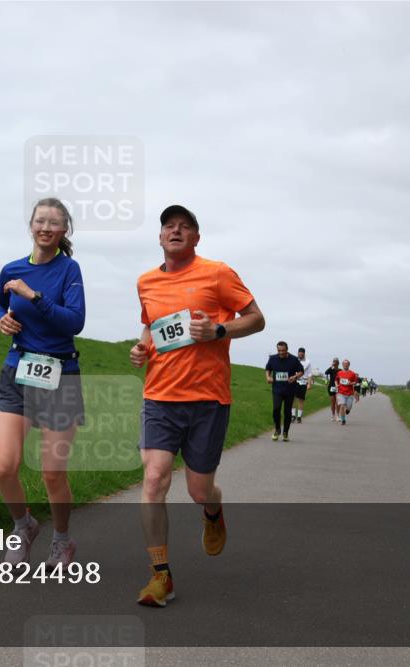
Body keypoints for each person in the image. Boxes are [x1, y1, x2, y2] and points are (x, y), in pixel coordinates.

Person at [129, 204, 265, 607]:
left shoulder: (217, 273)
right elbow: (151, 324)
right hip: (159, 397)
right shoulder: (146, 281)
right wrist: (142, 348)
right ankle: (161, 575)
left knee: (198, 489)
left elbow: (256, 319)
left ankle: (213, 511)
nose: (176, 231)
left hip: (208, 399)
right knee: (154, 479)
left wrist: (218, 329)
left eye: (185, 226)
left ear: (196, 238)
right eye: (169, 226)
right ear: (159, 237)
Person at [0, 198, 85, 567]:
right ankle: (23, 525)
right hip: (18, 372)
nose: (45, 227)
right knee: (4, 467)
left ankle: (61, 540)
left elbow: (75, 321)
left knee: (52, 473)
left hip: (60, 376)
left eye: (54, 222)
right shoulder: (12, 269)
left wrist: (34, 297)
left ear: (64, 231)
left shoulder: (69, 270)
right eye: (40, 220)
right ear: (31, 225)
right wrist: (1, 319)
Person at [265, 342, 304, 442]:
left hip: (289, 390)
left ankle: (285, 432)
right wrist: (268, 377)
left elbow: (301, 371)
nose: (281, 352)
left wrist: (295, 377)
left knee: (287, 412)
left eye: (283, 350)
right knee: (276, 409)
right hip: (277, 389)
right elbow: (268, 369)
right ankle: (277, 429)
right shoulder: (273, 358)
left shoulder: (294, 359)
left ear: (287, 349)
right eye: (279, 350)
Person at [292, 346, 313, 424]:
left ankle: (299, 417)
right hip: (295, 381)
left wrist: (309, 384)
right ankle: (293, 415)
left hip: (303, 381)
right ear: (298, 353)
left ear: (304, 354)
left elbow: (309, 374)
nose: (300, 355)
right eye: (299, 353)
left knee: (301, 399)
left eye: (302, 354)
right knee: (293, 398)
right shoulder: (294, 360)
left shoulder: (308, 362)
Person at [335, 359, 359, 425]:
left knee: (348, 407)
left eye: (347, 364)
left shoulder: (352, 373)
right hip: (341, 392)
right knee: (342, 406)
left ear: (349, 365)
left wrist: (350, 383)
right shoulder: (339, 373)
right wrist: (336, 384)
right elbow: (336, 380)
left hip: (350, 393)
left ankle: (348, 410)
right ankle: (343, 420)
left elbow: (355, 382)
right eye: (344, 364)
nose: (345, 365)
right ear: (342, 365)